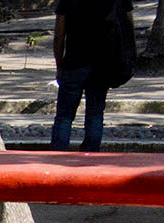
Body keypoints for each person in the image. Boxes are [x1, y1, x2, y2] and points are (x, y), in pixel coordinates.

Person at [50, 0, 136, 151]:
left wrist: (59, 65)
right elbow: (128, 26)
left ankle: (58, 154)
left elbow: (59, 35)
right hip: (102, 64)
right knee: (95, 114)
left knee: (64, 116)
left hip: (73, 63)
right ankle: (90, 156)